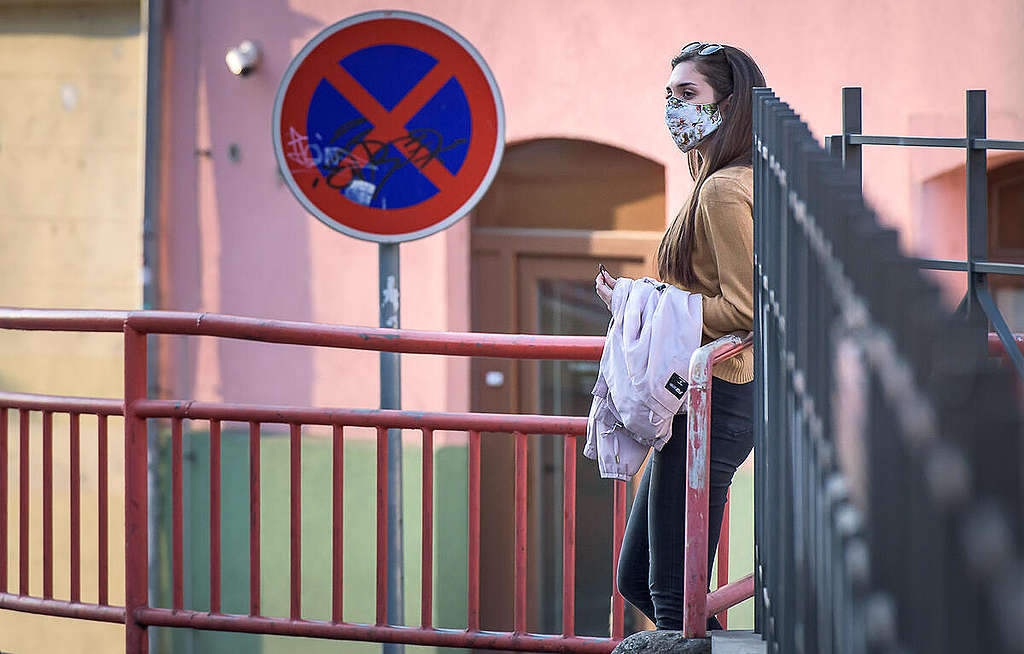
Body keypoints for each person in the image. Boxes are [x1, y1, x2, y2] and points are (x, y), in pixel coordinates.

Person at [594, 41, 766, 632]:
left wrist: (638, 304)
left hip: (712, 401)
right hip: (701, 397)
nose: (674, 108)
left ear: (730, 102)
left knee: (670, 592)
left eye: (688, 95)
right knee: (641, 579)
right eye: (669, 95)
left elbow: (744, 309)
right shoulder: (726, 178)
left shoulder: (722, 189)